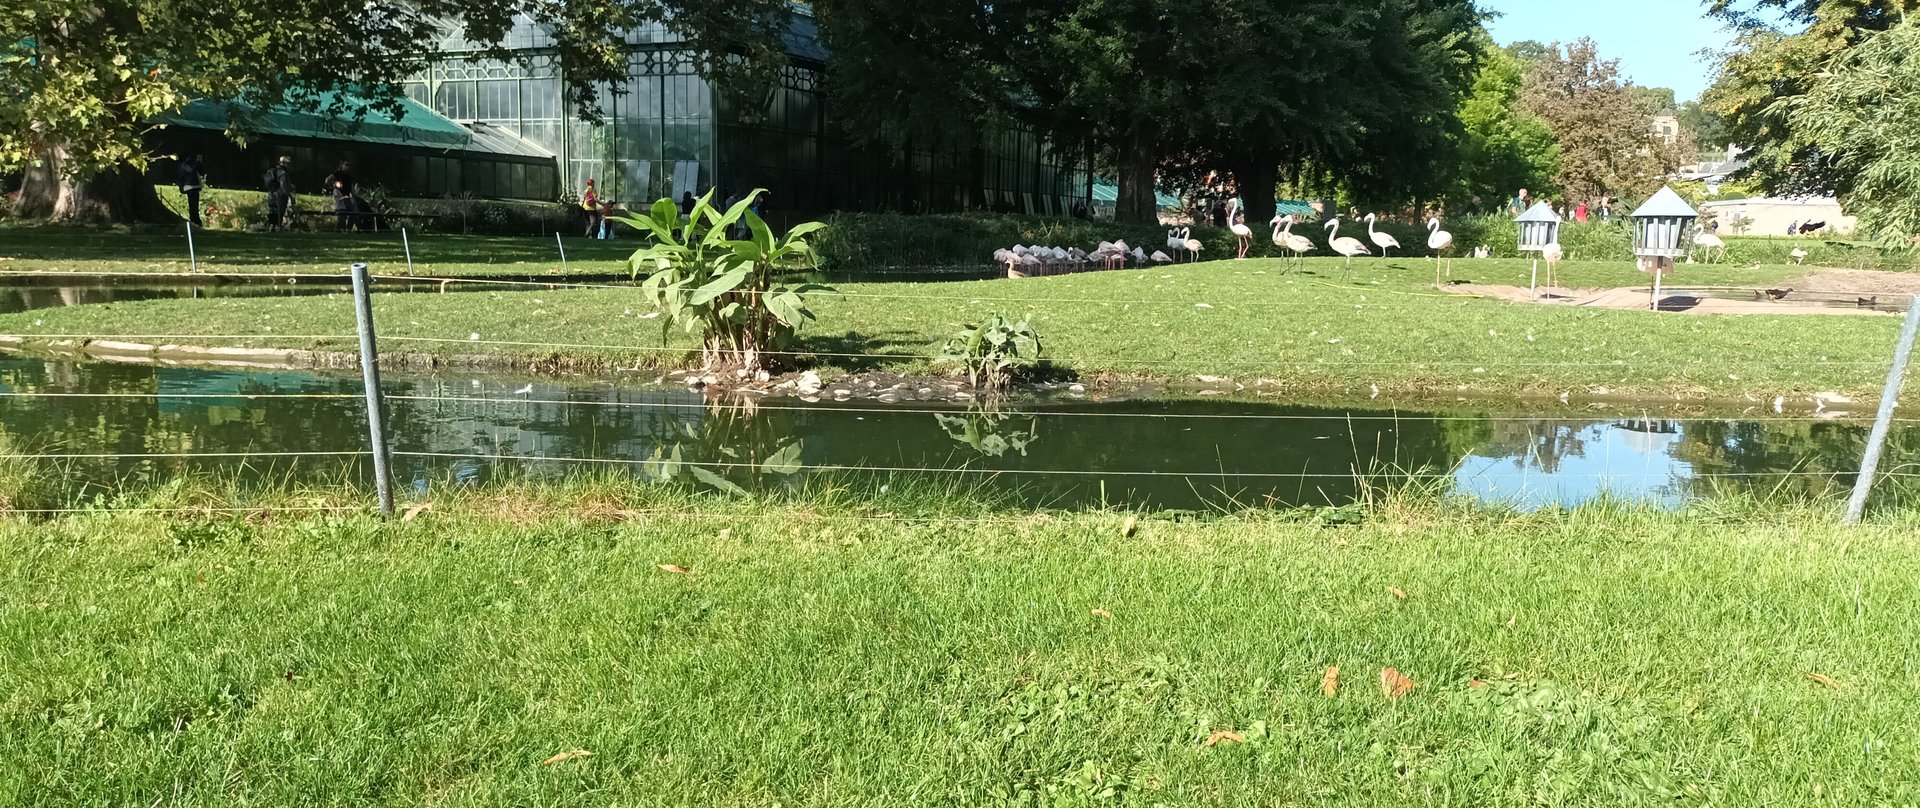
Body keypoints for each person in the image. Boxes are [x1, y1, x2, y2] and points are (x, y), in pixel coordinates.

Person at [323, 160, 359, 232]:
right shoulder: (337, 173)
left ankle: (348, 230)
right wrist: (332, 187)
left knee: (354, 213)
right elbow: (327, 180)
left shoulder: (349, 176)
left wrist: (354, 196)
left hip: (347, 197)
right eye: (346, 164)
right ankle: (337, 232)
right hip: (339, 197)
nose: (348, 166)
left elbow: (351, 189)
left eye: (349, 165)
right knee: (342, 216)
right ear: (341, 165)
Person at [265, 156, 293, 231]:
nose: (290, 165)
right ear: (284, 163)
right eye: (288, 163)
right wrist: (289, 195)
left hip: (271, 194)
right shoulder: (282, 172)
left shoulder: (275, 170)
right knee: (279, 212)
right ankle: (278, 227)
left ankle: (271, 228)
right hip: (279, 195)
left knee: (272, 212)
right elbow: (283, 184)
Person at [176, 154, 204, 227]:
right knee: (193, 207)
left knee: (193, 207)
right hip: (192, 187)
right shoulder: (186, 165)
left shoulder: (184, 165)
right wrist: (198, 162)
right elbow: (194, 170)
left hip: (191, 187)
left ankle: (195, 221)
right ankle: (196, 222)